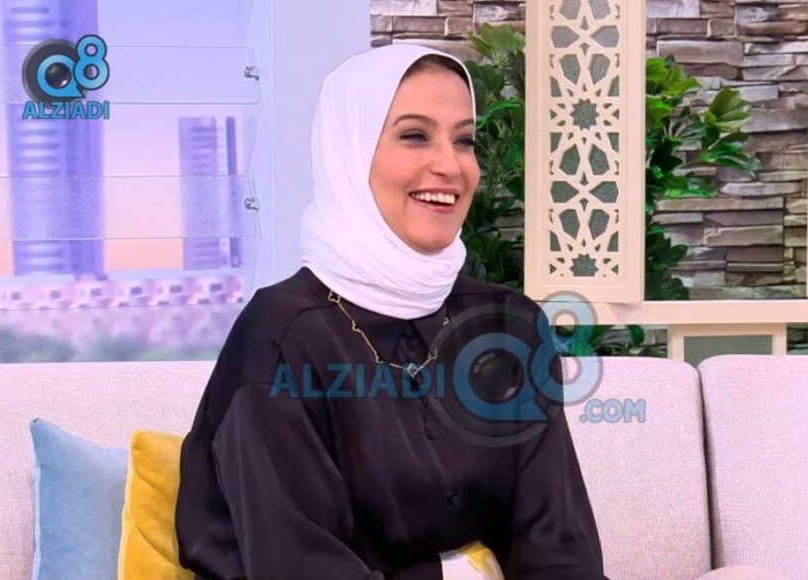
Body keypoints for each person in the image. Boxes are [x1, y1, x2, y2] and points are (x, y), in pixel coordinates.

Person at [175, 43, 606, 580]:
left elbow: (559, 547)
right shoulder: (280, 333)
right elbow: (300, 564)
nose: (449, 165)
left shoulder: (507, 326)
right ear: (349, 154)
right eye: (415, 135)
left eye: (464, 141)